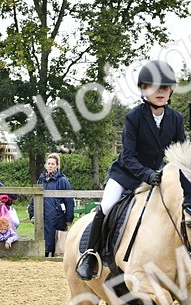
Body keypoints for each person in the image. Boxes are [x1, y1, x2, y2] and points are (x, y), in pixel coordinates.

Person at [75, 59, 185, 280]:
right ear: (144, 90)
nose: (160, 92)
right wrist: (148, 174)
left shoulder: (176, 118)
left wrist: (172, 173)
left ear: (171, 90)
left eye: (164, 87)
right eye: (154, 87)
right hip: (126, 175)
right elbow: (128, 156)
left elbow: (180, 152)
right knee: (106, 207)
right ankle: (90, 254)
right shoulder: (134, 117)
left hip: (158, 178)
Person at [37, 153, 75, 257]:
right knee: (43, 236)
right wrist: (33, 213)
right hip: (43, 215)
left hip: (57, 216)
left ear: (57, 166)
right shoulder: (41, 180)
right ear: (45, 165)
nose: (50, 166)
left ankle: (53, 255)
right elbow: (34, 198)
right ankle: (44, 253)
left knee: (56, 239)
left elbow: (69, 200)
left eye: (53, 164)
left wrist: (69, 218)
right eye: (48, 163)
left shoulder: (62, 181)